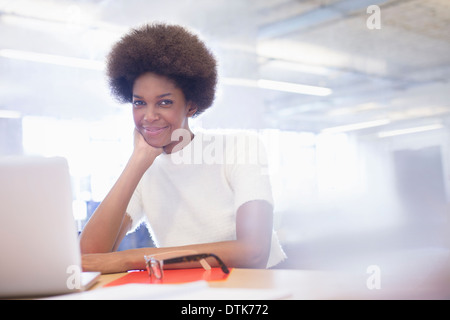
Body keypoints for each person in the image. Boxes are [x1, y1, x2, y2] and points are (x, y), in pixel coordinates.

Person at [80, 23, 285, 274]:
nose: (149, 116)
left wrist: (132, 259)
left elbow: (253, 252)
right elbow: (88, 256)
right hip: (190, 290)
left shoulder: (240, 147)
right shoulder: (145, 167)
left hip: (258, 287)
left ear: (190, 105)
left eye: (164, 102)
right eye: (139, 103)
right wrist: (137, 162)